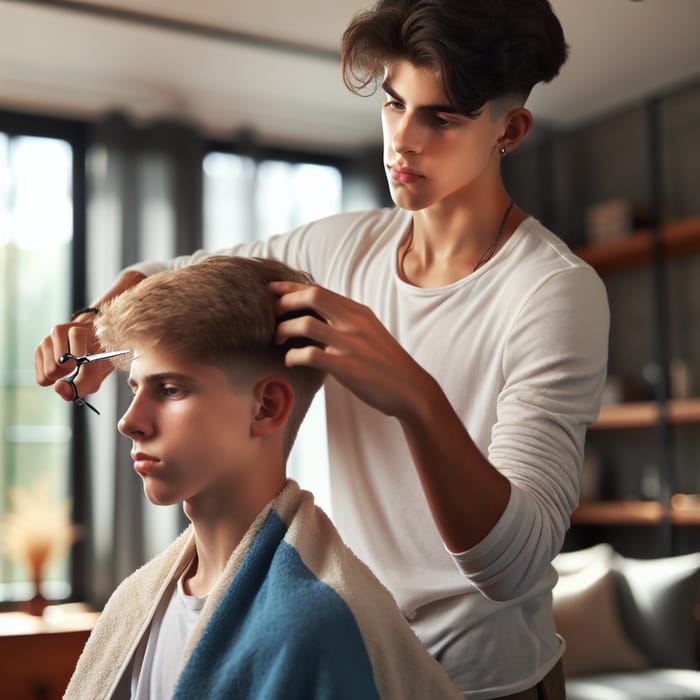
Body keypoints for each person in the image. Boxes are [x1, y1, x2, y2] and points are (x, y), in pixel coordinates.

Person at [37, 1, 609, 698]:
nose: (402, 140)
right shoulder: (338, 248)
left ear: (509, 129)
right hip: (351, 655)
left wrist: (415, 397)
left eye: (442, 118)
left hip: (487, 684)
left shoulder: (553, 292)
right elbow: (171, 278)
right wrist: (97, 323)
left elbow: (514, 565)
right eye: (395, 104)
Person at [62, 255, 463, 700]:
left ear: (267, 408)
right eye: (135, 388)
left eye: (171, 389)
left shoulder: (316, 628)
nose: (129, 422)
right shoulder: (134, 604)